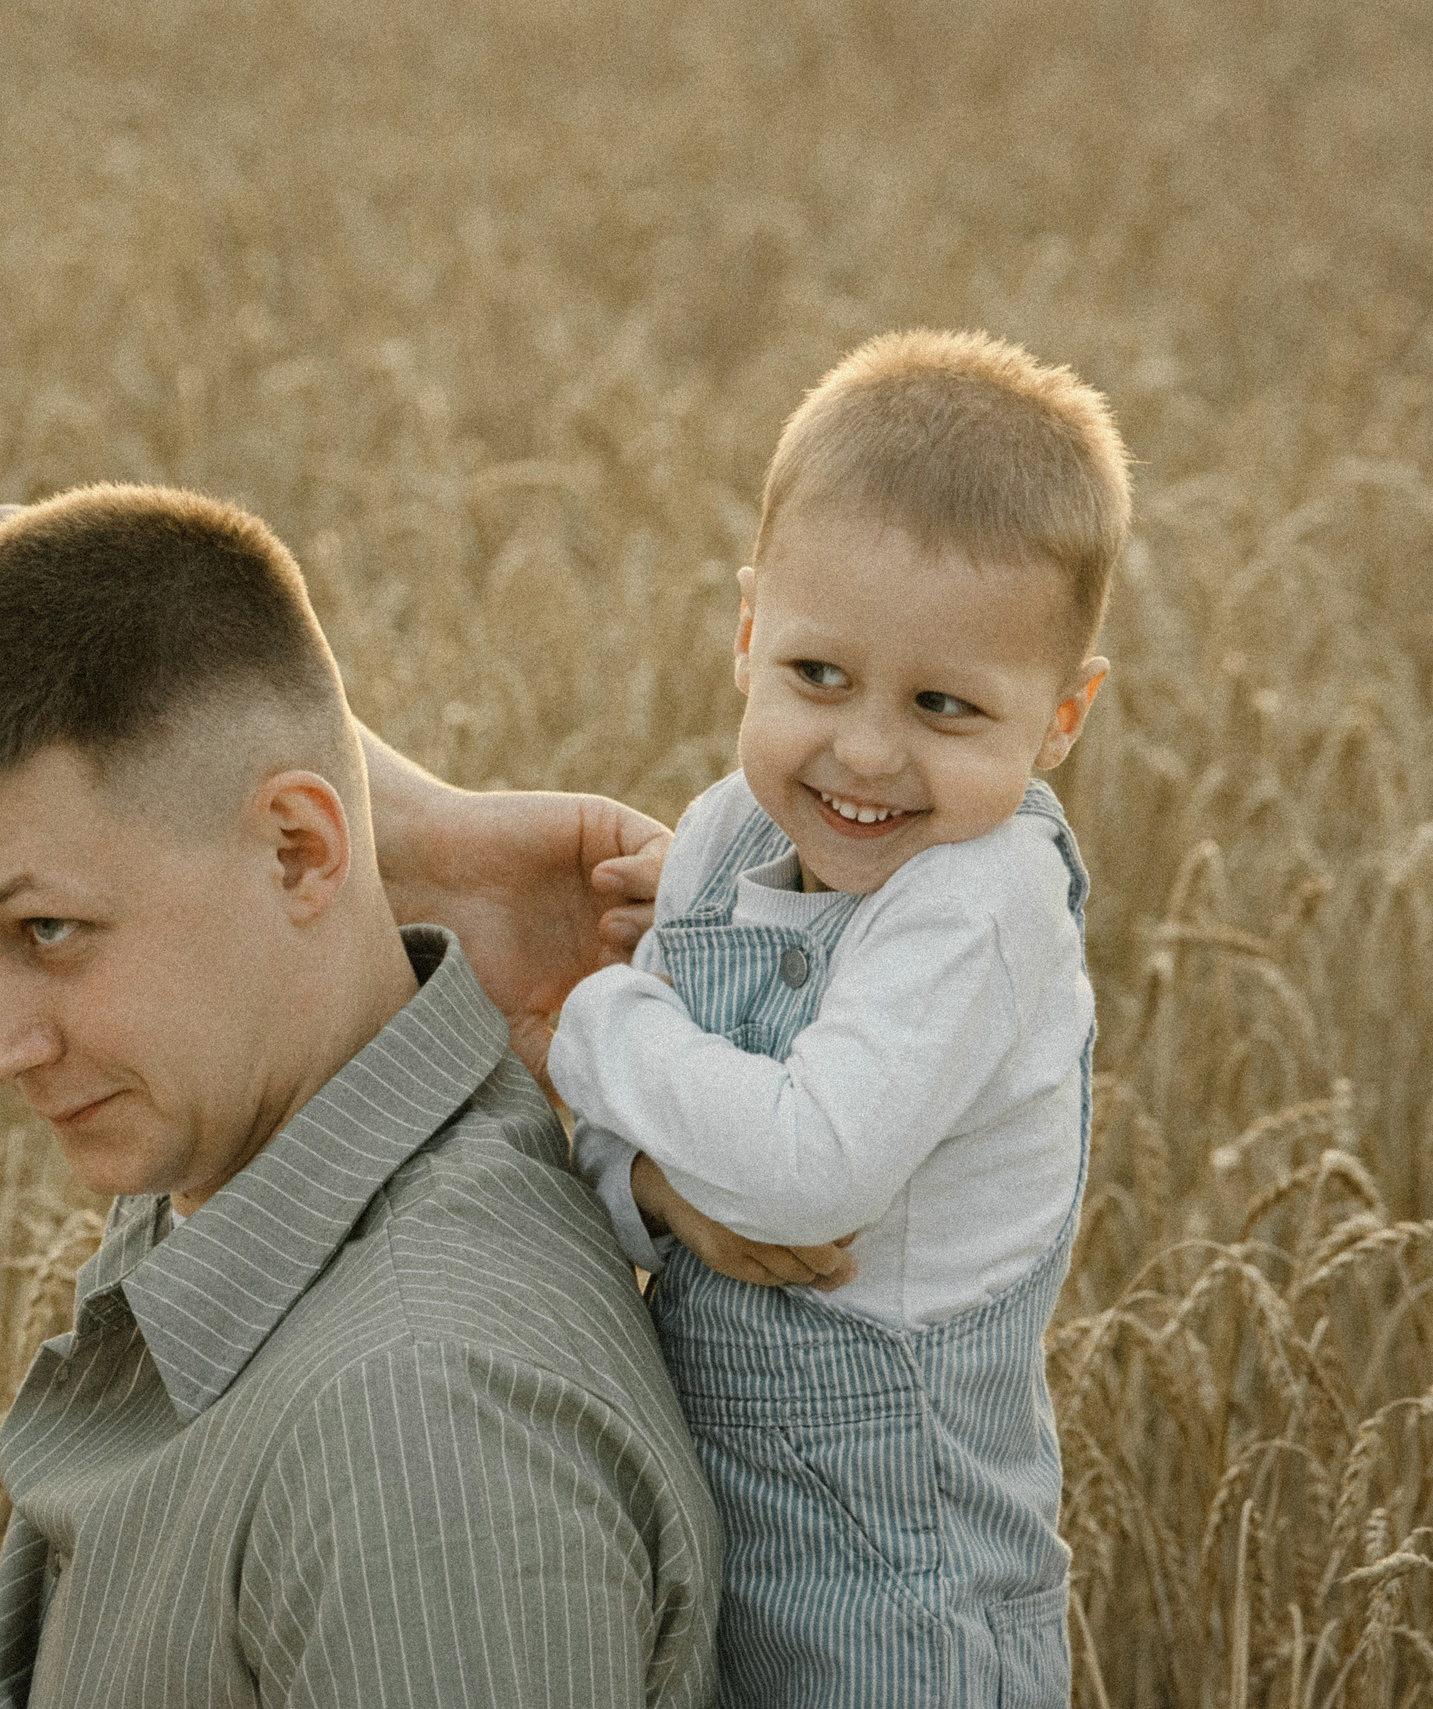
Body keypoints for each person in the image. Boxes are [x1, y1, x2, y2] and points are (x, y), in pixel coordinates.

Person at [0, 484, 723, 1708]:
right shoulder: (243, 1130)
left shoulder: (421, 1434)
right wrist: (430, 836)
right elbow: (32, 553)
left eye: (45, 929)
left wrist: (377, 827)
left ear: (298, 850)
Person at [549, 329, 1130, 1706]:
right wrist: (644, 1183)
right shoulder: (718, 842)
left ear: (1060, 717)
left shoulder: (979, 903)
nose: (866, 752)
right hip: (718, 1544)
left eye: (943, 706)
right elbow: (628, 1171)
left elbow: (813, 1170)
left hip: (912, 1605)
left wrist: (591, 1023)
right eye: (818, 676)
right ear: (748, 627)